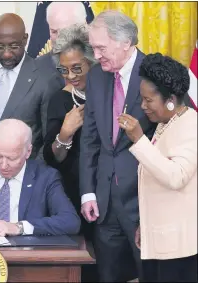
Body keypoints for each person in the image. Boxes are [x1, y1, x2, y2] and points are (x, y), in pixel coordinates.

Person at [80, 11, 157, 282]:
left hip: (144, 201)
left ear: (125, 42)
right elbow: (90, 139)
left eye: (101, 48)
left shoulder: (154, 72)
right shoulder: (96, 77)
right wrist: (88, 192)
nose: (96, 55)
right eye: (94, 48)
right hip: (104, 203)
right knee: (108, 276)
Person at [119, 53, 197, 282]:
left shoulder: (191, 125)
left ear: (170, 99)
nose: (143, 106)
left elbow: (176, 176)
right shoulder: (168, 123)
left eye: (148, 100)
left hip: (179, 249)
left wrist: (139, 140)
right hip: (160, 240)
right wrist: (146, 225)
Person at [42, 24, 98, 281]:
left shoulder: (109, 95)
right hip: (73, 196)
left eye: (77, 68)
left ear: (92, 61)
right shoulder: (59, 100)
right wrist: (65, 133)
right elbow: (53, 159)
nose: (71, 76)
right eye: (63, 70)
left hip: (109, 192)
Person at [0, 13, 61, 159]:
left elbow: (48, 139)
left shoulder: (46, 79)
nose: (6, 54)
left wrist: (34, 175)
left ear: (25, 39)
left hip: (25, 175)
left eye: (13, 46)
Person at [35, 2, 88, 89]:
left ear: (84, 26)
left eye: (65, 31)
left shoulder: (102, 63)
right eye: (54, 32)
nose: (59, 39)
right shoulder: (37, 68)